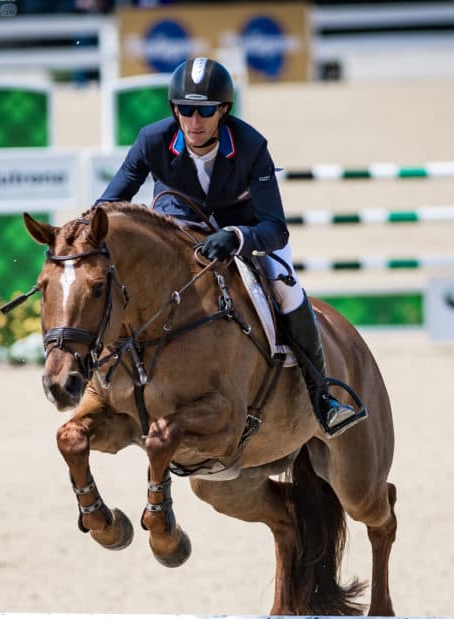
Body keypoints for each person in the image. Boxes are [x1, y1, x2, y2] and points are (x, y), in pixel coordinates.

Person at [96, 56, 363, 437]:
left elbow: (276, 228)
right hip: (181, 232)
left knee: (287, 291)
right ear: (174, 109)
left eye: (204, 111)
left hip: (245, 235)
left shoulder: (251, 146)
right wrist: (76, 238)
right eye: (185, 110)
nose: (194, 121)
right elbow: (109, 203)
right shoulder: (152, 140)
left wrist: (238, 238)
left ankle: (322, 396)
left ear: (223, 110)